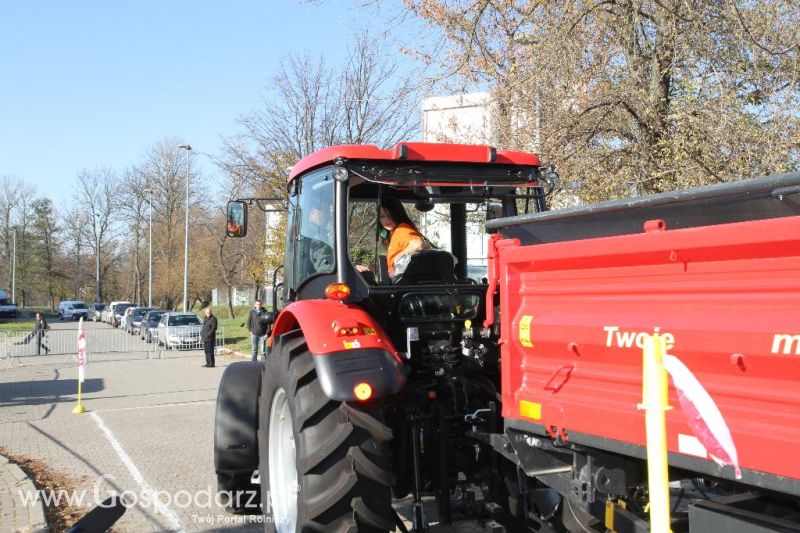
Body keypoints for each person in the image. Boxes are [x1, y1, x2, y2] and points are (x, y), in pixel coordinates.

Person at [380, 198, 427, 276]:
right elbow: (389, 266)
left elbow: (419, 244)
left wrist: (398, 256)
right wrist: (369, 268)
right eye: (382, 216)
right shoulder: (393, 233)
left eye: (389, 215)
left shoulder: (402, 229)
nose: (386, 220)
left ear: (397, 214)